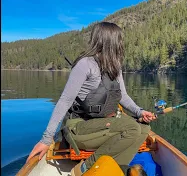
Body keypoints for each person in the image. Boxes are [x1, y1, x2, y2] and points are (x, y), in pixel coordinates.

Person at [26, 22, 157, 176]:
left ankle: (116, 168)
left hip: (100, 125)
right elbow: (64, 101)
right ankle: (84, 169)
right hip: (79, 127)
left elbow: (123, 96)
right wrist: (46, 139)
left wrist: (140, 112)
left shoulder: (115, 67)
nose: (122, 44)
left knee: (144, 128)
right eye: (120, 40)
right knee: (131, 127)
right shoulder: (85, 64)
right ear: (110, 42)